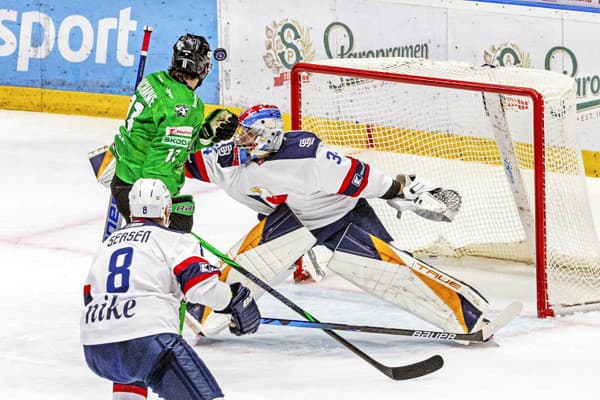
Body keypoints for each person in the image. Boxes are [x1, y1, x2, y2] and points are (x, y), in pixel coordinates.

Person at [184, 104, 488, 336]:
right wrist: (199, 137)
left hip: (343, 217)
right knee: (247, 264)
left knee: (396, 274)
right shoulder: (226, 159)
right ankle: (204, 312)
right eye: (243, 133)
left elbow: (361, 175)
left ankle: (472, 318)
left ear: (269, 134)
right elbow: (180, 165)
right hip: (290, 223)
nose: (243, 140)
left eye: (250, 134)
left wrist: (401, 190)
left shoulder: (309, 155)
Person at [81, 178, 260, 400]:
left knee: (134, 366)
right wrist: (233, 300)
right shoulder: (175, 240)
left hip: (97, 348)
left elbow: (89, 296)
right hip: (148, 340)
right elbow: (202, 288)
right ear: (167, 211)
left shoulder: (107, 245)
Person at [109, 34, 238, 233]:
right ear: (203, 69)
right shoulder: (186, 106)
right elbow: (160, 164)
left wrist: (204, 135)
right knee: (171, 248)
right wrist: (152, 214)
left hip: (124, 177)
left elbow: (162, 138)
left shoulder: (154, 80)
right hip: (143, 192)